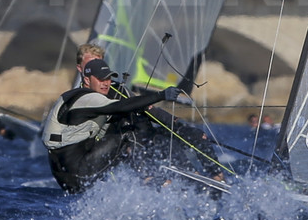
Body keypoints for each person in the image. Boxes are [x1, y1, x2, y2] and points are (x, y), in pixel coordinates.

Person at [42, 57, 199, 192]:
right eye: (101, 79)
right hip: (77, 173)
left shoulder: (74, 97)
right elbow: (120, 106)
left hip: (66, 176)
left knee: (123, 122)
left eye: (109, 78)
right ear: (87, 80)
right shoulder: (87, 98)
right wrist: (160, 95)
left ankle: (142, 177)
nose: (106, 83)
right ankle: (148, 178)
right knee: (127, 131)